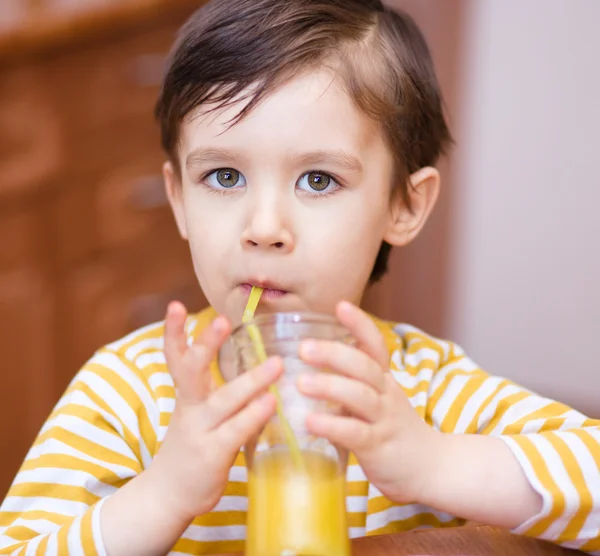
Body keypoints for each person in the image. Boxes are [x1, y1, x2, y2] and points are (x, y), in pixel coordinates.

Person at [1, 0, 599, 554]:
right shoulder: (127, 395)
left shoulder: (423, 391)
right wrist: (162, 493)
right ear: (178, 198)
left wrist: (433, 463)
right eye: (224, 177)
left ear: (405, 206)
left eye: (318, 179)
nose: (264, 227)